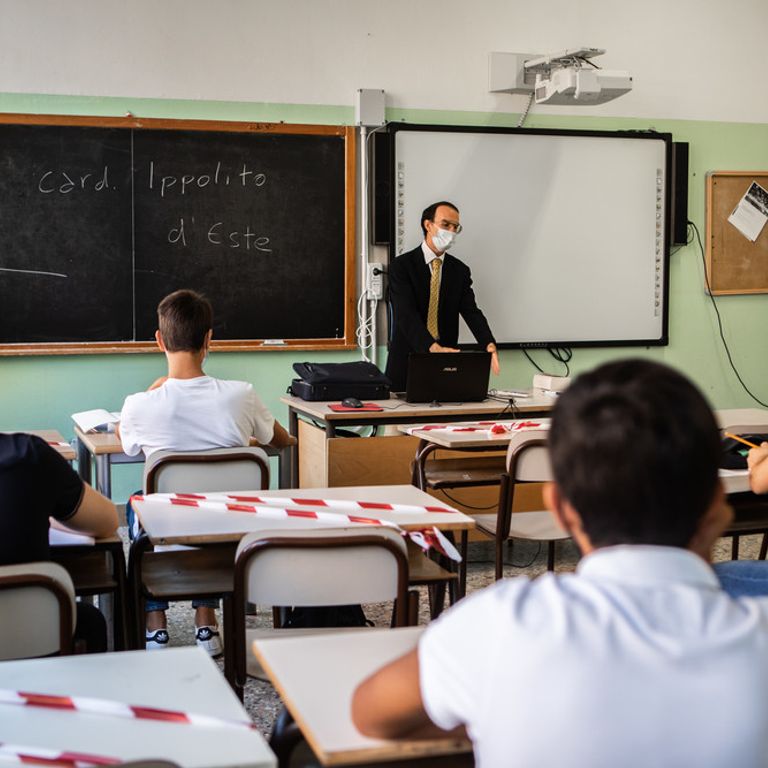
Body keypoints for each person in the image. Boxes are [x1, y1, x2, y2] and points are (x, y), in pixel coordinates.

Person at [352, 359, 768, 767]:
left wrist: (493, 715)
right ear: (719, 502)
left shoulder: (499, 625)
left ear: (562, 509)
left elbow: (369, 712)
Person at [118, 288, 296, 654]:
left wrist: (155, 388)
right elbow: (280, 441)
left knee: (137, 503)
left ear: (159, 340)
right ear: (209, 339)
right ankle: (206, 624)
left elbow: (127, 444)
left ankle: (155, 627)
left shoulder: (140, 405)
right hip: (226, 529)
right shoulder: (240, 395)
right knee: (214, 507)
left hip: (165, 529)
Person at [0, 433, 118, 653]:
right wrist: (45, 510)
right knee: (89, 621)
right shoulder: (28, 455)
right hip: (34, 638)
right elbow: (108, 522)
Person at [385, 201, 499, 392]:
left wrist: (488, 343)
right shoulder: (401, 266)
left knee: (444, 419)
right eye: (446, 225)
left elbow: (471, 311)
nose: (451, 231)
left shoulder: (459, 271)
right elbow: (405, 314)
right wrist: (431, 346)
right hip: (407, 360)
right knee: (401, 419)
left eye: (456, 227)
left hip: (446, 361)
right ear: (428, 225)